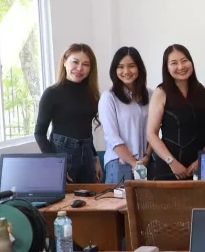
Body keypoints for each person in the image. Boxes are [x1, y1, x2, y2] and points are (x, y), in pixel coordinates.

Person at [34, 43, 102, 183]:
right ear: (65, 62)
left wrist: (95, 158)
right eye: (75, 62)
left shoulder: (91, 93)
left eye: (86, 64)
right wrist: (55, 164)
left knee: (90, 196)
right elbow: (39, 133)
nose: (79, 68)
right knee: (65, 197)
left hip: (87, 156)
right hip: (62, 156)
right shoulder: (51, 93)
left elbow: (85, 129)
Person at [146, 44, 205, 180]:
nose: (181, 67)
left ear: (191, 62)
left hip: (201, 166)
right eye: (174, 63)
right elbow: (151, 134)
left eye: (184, 61)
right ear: (167, 67)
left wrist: (202, 159)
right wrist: (172, 162)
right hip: (168, 167)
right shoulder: (161, 93)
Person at [98, 47, 152, 183]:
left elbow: (154, 131)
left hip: (146, 163)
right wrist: (134, 163)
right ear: (114, 70)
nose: (126, 71)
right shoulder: (109, 97)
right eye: (121, 67)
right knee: (119, 198)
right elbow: (112, 136)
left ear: (139, 68)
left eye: (131, 66)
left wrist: (146, 157)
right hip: (119, 164)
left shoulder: (151, 95)